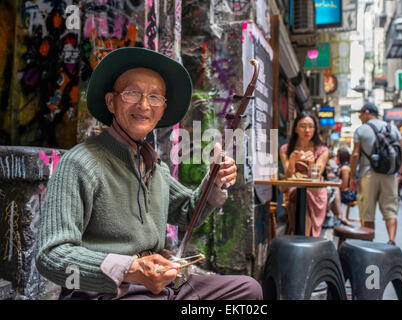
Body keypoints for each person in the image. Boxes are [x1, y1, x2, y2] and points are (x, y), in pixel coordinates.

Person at [35, 47, 262, 300]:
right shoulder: (80, 163)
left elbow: (188, 211)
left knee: (248, 290)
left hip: (161, 285)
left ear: (162, 109)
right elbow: (51, 256)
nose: (144, 105)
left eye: (155, 97)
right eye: (132, 93)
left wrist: (214, 180)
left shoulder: (154, 166)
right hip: (105, 292)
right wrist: (131, 269)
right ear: (111, 102)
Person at [349, 102, 402, 245]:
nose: (360, 117)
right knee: (390, 210)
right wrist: (401, 173)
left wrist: (351, 176)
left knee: (367, 212)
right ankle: (392, 240)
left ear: (367, 112)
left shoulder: (361, 130)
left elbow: (355, 154)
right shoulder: (392, 128)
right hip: (389, 174)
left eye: (361, 114)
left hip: (368, 175)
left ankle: (370, 243)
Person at [279, 112, 329, 237]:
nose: (307, 130)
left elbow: (315, 177)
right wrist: (292, 160)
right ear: (295, 128)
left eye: (311, 126)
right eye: (303, 126)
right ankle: (305, 239)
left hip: (315, 191)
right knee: (299, 195)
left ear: (315, 129)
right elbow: (288, 176)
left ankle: (301, 237)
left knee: (305, 196)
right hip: (294, 189)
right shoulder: (286, 149)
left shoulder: (322, 150)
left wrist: (311, 162)